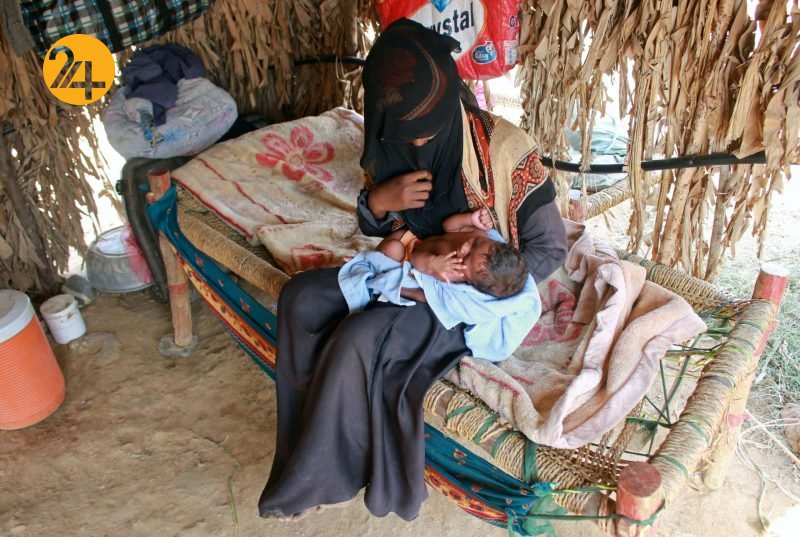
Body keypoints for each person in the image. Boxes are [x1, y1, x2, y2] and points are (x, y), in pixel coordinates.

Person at [258, 18, 568, 522]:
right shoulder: (387, 140)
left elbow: (549, 249)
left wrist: (471, 274)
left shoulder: (504, 151)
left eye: (431, 131)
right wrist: (381, 202)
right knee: (302, 298)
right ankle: (300, 448)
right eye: (408, 136)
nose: (419, 145)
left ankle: (325, 478)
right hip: (403, 260)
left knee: (359, 337)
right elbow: (376, 224)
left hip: (460, 296)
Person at [376, 208, 529, 298]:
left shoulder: (450, 272)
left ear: (469, 281)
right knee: (397, 237)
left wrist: (432, 264)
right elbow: (448, 226)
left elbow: (416, 258)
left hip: (410, 260)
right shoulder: (480, 234)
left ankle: (372, 266)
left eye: (466, 257)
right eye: (475, 244)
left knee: (392, 248)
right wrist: (470, 219)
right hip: (417, 240)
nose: (464, 248)